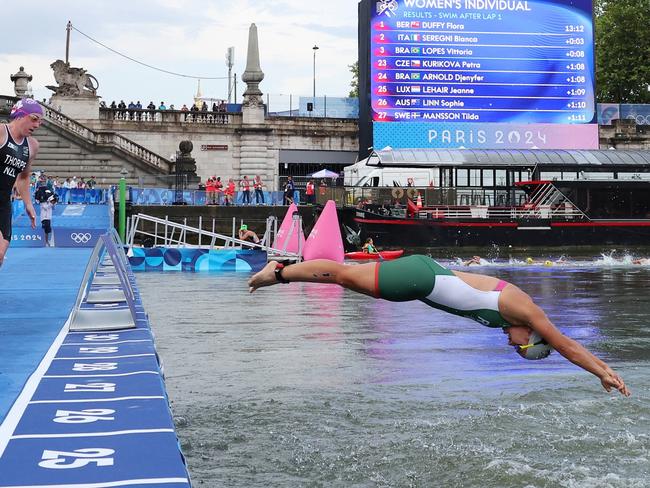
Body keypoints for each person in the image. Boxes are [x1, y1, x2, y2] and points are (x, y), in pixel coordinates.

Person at [248, 255, 630, 397]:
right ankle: (278, 272)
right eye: (519, 347)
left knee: (346, 275)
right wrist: (602, 371)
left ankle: (283, 268)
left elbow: (465, 284)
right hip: (420, 281)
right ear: (532, 337)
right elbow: (566, 345)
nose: (511, 344)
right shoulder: (526, 312)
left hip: (424, 278)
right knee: (344, 277)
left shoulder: (513, 315)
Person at [0, 98, 41, 266]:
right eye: (34, 118)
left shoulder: (32, 145)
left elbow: (23, 177)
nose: (37, 125)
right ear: (19, 115)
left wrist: (28, 203)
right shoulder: (2, 132)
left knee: (1, 254)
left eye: (40, 121)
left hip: (3, 204)